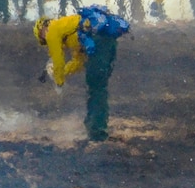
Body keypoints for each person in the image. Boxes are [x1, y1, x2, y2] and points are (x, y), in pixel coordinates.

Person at [34, 7, 129, 142]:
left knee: (96, 89)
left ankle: (97, 133)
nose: (47, 42)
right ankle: (95, 127)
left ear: (42, 30)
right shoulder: (73, 31)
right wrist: (63, 74)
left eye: (43, 40)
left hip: (98, 42)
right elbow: (78, 62)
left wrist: (59, 82)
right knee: (98, 88)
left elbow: (58, 60)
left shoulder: (52, 30)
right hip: (108, 42)